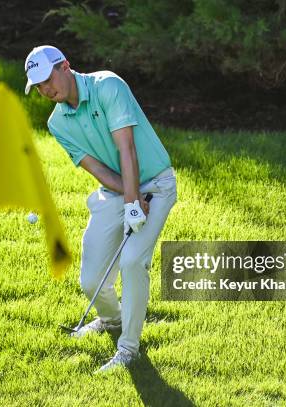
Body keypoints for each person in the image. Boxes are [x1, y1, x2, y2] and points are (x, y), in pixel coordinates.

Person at [24, 45, 177, 372]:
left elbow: (128, 149)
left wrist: (137, 201)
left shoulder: (108, 86)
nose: (46, 89)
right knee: (91, 280)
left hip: (156, 184)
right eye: (38, 86)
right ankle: (110, 318)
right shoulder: (57, 123)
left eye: (47, 79)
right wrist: (130, 198)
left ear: (65, 66)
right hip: (114, 192)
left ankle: (129, 349)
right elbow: (99, 171)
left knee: (133, 260)